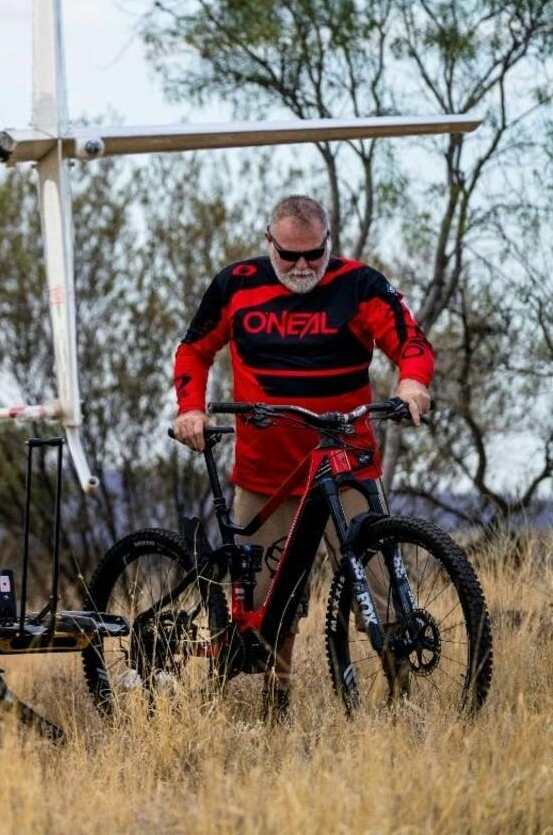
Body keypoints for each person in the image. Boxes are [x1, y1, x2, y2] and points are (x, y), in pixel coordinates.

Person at [171, 195, 432, 709]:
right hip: (266, 474)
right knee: (267, 608)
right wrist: (190, 408)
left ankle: (404, 703)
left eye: (313, 254)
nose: (302, 267)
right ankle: (275, 707)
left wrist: (413, 386)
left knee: (382, 590)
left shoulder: (359, 284)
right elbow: (194, 349)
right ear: (269, 242)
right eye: (289, 256)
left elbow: (411, 342)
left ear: (328, 242)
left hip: (347, 465)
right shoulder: (236, 283)